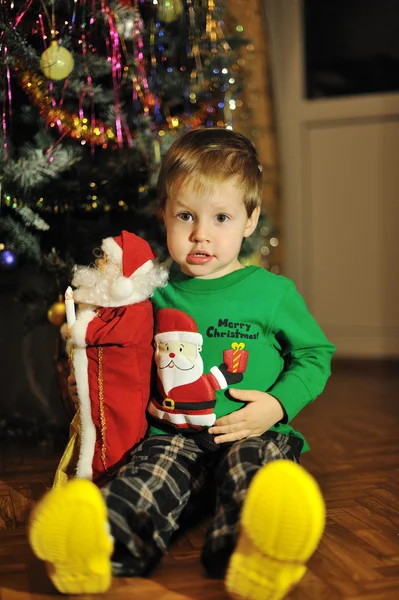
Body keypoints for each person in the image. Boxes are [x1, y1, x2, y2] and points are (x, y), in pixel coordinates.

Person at [28, 128, 335, 600]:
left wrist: (276, 406)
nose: (200, 235)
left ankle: (256, 552)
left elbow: (315, 356)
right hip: (173, 433)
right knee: (147, 480)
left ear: (250, 221)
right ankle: (95, 543)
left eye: (222, 218)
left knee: (255, 474)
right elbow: (121, 348)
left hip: (253, 429)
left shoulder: (273, 293)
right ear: (164, 216)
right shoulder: (153, 290)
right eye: (186, 216)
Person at [55, 231, 168, 485]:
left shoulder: (138, 308)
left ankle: (114, 486)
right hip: (104, 389)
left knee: (120, 440)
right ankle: (92, 482)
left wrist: (81, 331)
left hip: (125, 392)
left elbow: (121, 333)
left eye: (109, 259)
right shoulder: (109, 306)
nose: (101, 264)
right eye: (103, 258)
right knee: (96, 434)